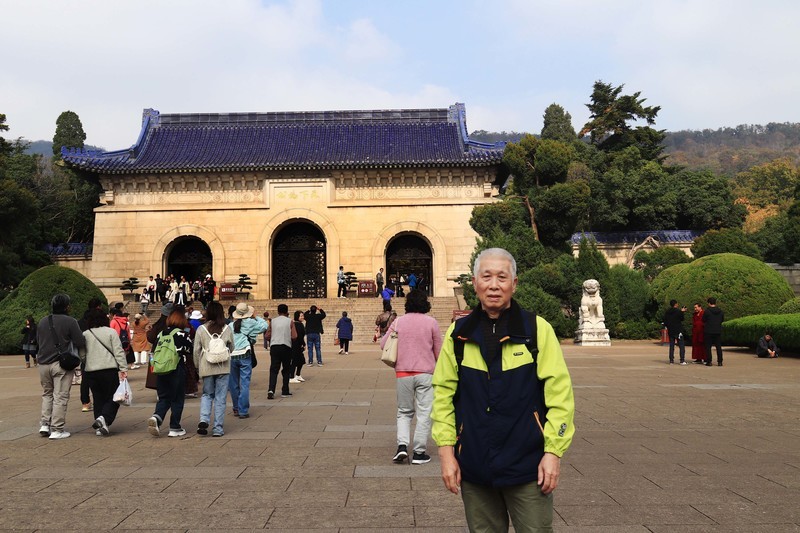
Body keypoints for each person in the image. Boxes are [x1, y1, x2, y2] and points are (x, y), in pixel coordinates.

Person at [431, 248, 575, 532]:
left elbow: (560, 396)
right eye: (486, 277)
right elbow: (442, 396)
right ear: (474, 283)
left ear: (514, 283)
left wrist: (553, 453)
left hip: (528, 465)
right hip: (474, 464)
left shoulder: (536, 330)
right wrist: (447, 454)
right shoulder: (458, 334)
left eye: (502, 277)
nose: (494, 285)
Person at [382, 288, 442, 465]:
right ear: (426, 303)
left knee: (404, 412)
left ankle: (402, 446)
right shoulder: (431, 322)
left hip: (403, 373)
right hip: (426, 373)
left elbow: (384, 344)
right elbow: (439, 351)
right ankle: (419, 452)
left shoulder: (399, 322)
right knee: (424, 413)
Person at [36, 293, 87, 440]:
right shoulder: (70, 321)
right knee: (60, 396)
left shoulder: (43, 321)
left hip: (43, 364)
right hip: (61, 364)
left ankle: (45, 424)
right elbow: (80, 341)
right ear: (67, 306)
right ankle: (57, 429)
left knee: (47, 394)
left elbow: (40, 341)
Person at [79, 309, 128, 436]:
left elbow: (82, 354)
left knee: (98, 398)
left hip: (92, 371)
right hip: (109, 369)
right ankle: (104, 419)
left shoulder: (86, 334)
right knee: (114, 397)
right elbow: (118, 352)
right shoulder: (111, 332)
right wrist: (123, 368)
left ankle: (101, 425)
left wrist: (88, 362)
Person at [147, 309, 193, 437]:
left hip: (161, 369)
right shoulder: (181, 334)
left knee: (164, 397)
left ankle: (157, 417)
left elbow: (154, 350)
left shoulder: (161, 334)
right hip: (176, 368)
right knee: (177, 398)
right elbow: (190, 350)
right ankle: (175, 427)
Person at [193, 301, 234, 436]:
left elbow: (196, 351)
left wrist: (198, 367)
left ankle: (204, 419)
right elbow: (232, 347)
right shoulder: (227, 328)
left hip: (207, 365)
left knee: (207, 394)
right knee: (220, 397)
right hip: (223, 366)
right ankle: (218, 428)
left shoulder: (201, 329)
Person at [228, 302, 268, 418]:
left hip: (232, 355)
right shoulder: (251, 322)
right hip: (245, 354)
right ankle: (243, 410)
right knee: (244, 383)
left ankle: (236, 407)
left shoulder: (231, 325)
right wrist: (255, 316)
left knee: (233, 383)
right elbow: (264, 326)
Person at [267, 304, 297, 399]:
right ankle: (285, 390)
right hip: (285, 346)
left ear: (278, 311)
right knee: (286, 369)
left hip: (274, 346)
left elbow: (267, 335)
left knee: (274, 369)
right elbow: (294, 336)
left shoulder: (273, 321)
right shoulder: (290, 321)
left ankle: (271, 389)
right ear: (287, 311)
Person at [664, 300, 687, 365]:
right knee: (681, 345)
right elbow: (682, 319)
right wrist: (682, 312)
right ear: (676, 304)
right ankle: (682, 360)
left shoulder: (667, 312)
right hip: (678, 330)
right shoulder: (678, 311)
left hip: (671, 330)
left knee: (671, 346)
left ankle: (671, 360)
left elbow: (665, 322)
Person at [703, 297, 725, 366]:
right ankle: (720, 361)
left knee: (708, 347)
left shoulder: (707, 311)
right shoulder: (720, 311)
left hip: (708, 330)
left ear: (709, 303)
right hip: (717, 330)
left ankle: (709, 361)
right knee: (718, 347)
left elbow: (703, 320)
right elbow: (722, 320)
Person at [289, 311, 306, 383]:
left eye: (303, 316)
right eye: (301, 316)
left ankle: (298, 375)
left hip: (296, 345)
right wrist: (303, 344)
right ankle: (291, 376)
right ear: (297, 317)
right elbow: (300, 336)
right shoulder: (298, 324)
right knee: (295, 361)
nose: (302, 317)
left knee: (301, 360)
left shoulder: (295, 324)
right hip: (296, 345)